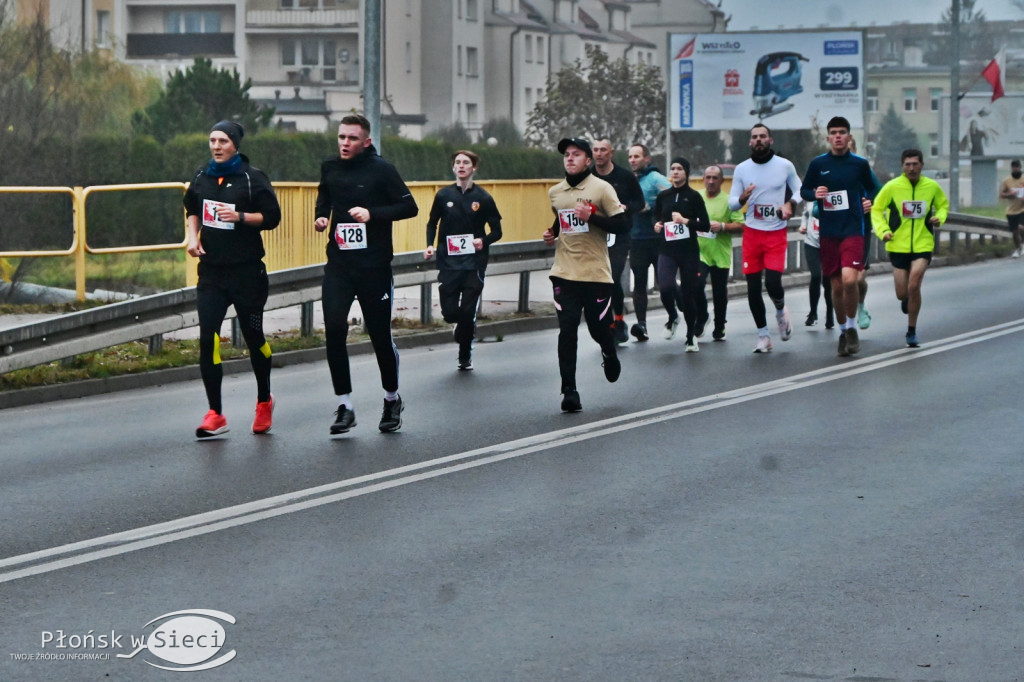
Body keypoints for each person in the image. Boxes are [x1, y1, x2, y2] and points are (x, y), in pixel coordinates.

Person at [315, 114, 418, 434]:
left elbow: (409, 207)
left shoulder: (382, 170)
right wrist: (320, 217)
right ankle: (345, 405)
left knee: (378, 335)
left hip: (374, 267)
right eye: (341, 137)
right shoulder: (330, 167)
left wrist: (373, 214)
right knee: (333, 329)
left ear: (366, 141)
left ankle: (391, 399)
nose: (345, 143)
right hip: (339, 266)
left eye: (352, 138)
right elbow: (325, 198)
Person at [184, 120, 282, 438]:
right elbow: (191, 209)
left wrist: (240, 216)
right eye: (212, 140)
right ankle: (215, 413)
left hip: (247, 273)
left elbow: (272, 217)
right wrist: (192, 238)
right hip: (212, 273)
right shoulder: (202, 176)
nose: (216, 146)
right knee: (207, 338)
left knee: (253, 338)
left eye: (223, 141)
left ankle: (264, 401)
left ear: (235, 145)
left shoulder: (252, 179)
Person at [542, 137, 629, 412]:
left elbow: (622, 224)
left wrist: (592, 217)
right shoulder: (555, 192)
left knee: (597, 328)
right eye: (566, 154)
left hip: (595, 274)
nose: (569, 158)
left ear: (588, 160)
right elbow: (562, 217)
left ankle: (608, 350)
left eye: (576, 154)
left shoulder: (602, 189)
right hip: (564, 272)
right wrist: (552, 233)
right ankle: (569, 391)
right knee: (567, 331)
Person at [800, 116, 880, 357]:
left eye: (842, 132)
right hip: (829, 233)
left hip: (853, 230)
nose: (838, 136)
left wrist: (870, 201)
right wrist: (815, 193)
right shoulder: (818, 164)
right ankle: (843, 331)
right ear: (828, 138)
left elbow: (875, 188)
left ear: (849, 137)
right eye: (833, 132)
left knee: (849, 280)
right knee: (835, 287)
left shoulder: (859, 164)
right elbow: (804, 190)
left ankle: (853, 327)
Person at [423, 150, 503, 370]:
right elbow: (432, 223)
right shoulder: (443, 196)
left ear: (474, 167)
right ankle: (460, 325)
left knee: (467, 312)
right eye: (457, 162)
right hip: (448, 262)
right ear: (453, 168)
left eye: (466, 162)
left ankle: (464, 355)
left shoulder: (484, 198)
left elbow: (497, 231)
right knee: (450, 313)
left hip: (474, 263)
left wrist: (483, 241)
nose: (461, 166)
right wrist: (430, 245)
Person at [728, 123, 802, 353]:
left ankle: (780, 311)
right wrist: (742, 198)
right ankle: (763, 335)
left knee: (772, 283)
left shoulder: (784, 166)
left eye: (762, 136)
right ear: (750, 142)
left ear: (770, 140)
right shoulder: (742, 169)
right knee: (752, 287)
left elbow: (801, 190)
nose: (758, 140)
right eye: (754, 137)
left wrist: (789, 204)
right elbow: (731, 202)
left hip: (776, 231)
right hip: (752, 232)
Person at [870, 149, 949, 347]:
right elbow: (877, 210)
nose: (912, 168)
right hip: (898, 244)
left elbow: (943, 205)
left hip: (923, 243)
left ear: (922, 165)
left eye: (915, 164)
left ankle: (911, 331)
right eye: (908, 164)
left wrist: (940, 217)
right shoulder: (892, 187)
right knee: (901, 293)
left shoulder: (931, 186)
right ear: (902, 166)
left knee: (914, 285)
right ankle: (907, 299)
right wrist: (883, 231)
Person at [653, 157, 710, 352]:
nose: (675, 172)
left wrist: (686, 221)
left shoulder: (693, 196)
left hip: (688, 251)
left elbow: (705, 224)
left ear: (686, 172)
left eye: (679, 169)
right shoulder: (664, 196)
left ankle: (690, 336)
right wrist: (657, 225)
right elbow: (656, 215)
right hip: (667, 250)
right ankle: (672, 317)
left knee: (688, 294)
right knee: (666, 287)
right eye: (672, 168)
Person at [592, 138, 645, 344]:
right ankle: (606, 322)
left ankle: (618, 321)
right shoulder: (588, 177)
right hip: (596, 234)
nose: (599, 154)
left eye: (603, 150)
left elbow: (640, 202)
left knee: (612, 276)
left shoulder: (624, 176)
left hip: (620, 234)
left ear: (611, 153)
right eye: (595, 150)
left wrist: (625, 208)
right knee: (599, 281)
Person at [626, 143, 671, 342]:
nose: (633, 160)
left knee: (665, 284)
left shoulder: (655, 178)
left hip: (658, 240)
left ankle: (674, 316)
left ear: (647, 159)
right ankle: (641, 324)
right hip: (636, 239)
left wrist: (653, 209)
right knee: (639, 284)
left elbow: (674, 196)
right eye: (630, 157)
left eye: (637, 156)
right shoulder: (629, 180)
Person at [696, 164, 744, 341]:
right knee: (697, 283)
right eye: (708, 177)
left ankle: (719, 325)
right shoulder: (697, 197)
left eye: (715, 178)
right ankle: (702, 316)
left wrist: (723, 226)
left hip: (720, 253)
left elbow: (741, 225)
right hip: (699, 251)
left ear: (722, 181)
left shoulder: (729, 201)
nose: (710, 181)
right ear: (703, 179)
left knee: (719, 291)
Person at [798, 202, 834, 329]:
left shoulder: (832, 196)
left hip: (829, 243)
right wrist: (803, 226)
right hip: (811, 243)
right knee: (816, 276)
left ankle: (830, 313)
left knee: (827, 279)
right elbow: (805, 215)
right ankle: (813, 313)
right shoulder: (810, 198)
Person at [999, 159, 1024, 258]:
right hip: (1011, 210)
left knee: (1021, 227)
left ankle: (1023, 244)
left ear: (1020, 167)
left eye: (1017, 166)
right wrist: (1010, 194)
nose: (1015, 168)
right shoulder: (1007, 181)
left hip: (1022, 209)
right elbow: (1002, 195)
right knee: (1014, 232)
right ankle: (1018, 249)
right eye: (1013, 166)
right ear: (1011, 168)